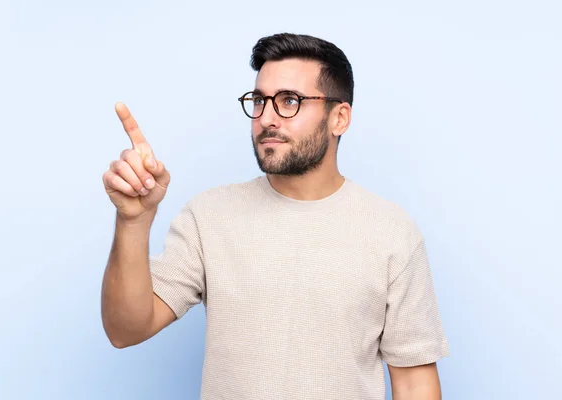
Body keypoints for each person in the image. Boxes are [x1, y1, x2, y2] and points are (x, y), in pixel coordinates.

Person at [101, 32, 449, 400]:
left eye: (289, 101)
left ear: (339, 118)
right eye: (259, 100)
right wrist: (133, 221)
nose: (267, 118)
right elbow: (125, 330)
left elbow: (414, 383)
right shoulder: (209, 217)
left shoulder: (391, 232)